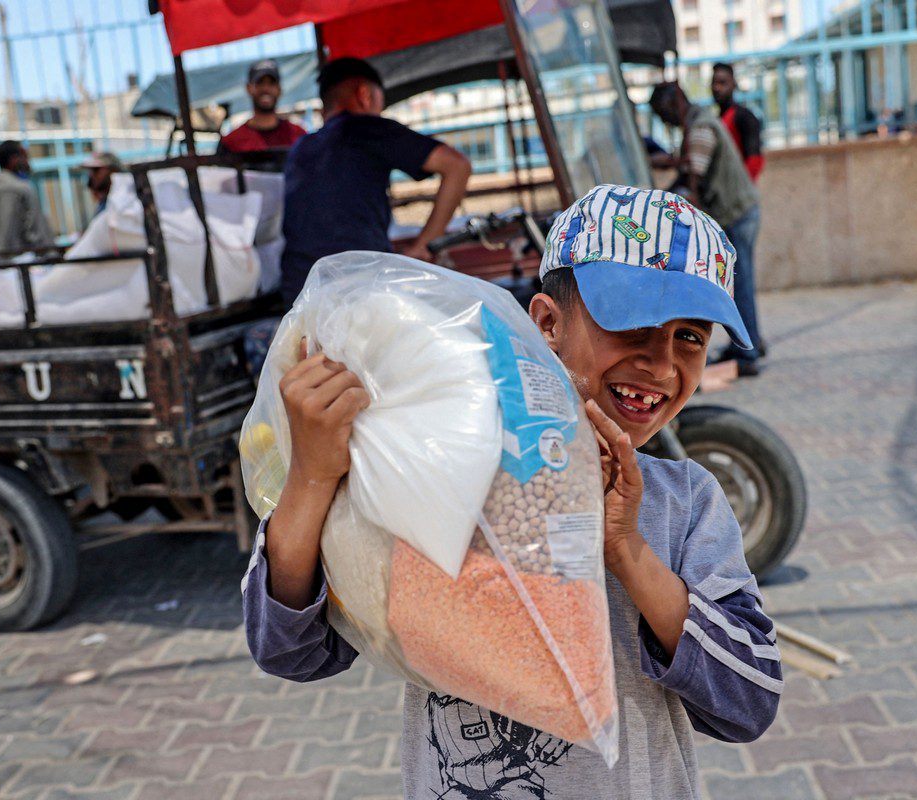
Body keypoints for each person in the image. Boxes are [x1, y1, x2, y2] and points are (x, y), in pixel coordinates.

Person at [243, 184, 780, 798]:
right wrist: (313, 476)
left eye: (690, 337)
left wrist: (627, 550)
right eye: (633, 323)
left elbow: (748, 702)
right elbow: (290, 651)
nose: (661, 364)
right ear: (547, 323)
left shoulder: (685, 502)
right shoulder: (445, 474)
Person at [279, 57, 471, 306]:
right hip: (358, 287)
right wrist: (424, 245)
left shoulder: (301, 147)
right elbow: (457, 166)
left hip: (299, 292)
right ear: (365, 94)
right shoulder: (368, 128)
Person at [650, 81, 765, 374]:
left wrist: (659, 200)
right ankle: (749, 343)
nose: (665, 121)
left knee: (738, 286)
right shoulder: (697, 124)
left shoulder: (700, 127)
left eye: (663, 113)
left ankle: (748, 354)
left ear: (674, 104)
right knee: (737, 286)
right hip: (735, 212)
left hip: (736, 213)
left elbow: (693, 176)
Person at [0, 140, 54, 255]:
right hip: (22, 263)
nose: (28, 164)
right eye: (25, 157)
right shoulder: (23, 190)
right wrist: (52, 255)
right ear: (14, 159)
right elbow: (38, 235)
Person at [217, 59, 307, 154]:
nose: (265, 88)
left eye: (271, 83)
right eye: (259, 83)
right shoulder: (231, 142)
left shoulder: (298, 136)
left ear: (279, 89)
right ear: (248, 88)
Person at [711, 63, 765, 182]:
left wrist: (742, 186)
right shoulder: (716, 120)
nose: (716, 88)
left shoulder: (744, 117)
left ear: (734, 85)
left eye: (722, 83)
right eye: (714, 83)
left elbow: (755, 159)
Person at [79, 151, 122, 217]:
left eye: (96, 170)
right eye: (90, 171)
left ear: (113, 170)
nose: (92, 175)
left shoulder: (126, 202)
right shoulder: (103, 204)